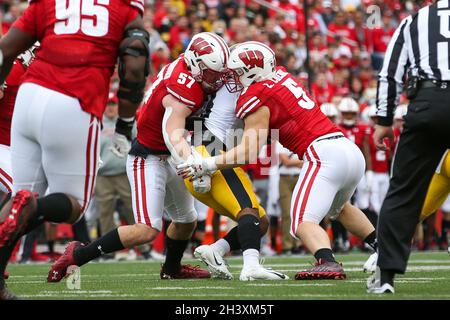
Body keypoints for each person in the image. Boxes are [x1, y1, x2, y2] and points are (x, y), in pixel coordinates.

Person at [178, 41, 378, 280]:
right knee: (340, 209)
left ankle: (327, 262)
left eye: (238, 71)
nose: (234, 77)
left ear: (251, 72)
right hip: (348, 149)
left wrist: (209, 163)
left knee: (301, 222)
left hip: (323, 153)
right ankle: (382, 247)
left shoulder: (256, 95)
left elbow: (248, 152)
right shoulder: (282, 76)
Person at [48, 32, 228, 281]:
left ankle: (172, 269)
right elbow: (172, 134)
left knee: (187, 220)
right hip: (149, 157)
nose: (216, 79)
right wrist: (192, 161)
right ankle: (76, 256)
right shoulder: (182, 87)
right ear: (196, 64)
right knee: (146, 230)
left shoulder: (192, 69)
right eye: (211, 73)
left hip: (169, 154)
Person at [0, 0, 149, 300]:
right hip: (74, 101)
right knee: (73, 205)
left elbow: (6, 48)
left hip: (27, 98)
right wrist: (123, 124)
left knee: (16, 206)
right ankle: (33, 206)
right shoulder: (122, 7)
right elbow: (134, 63)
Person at [368, 0, 450, 294]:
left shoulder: (414, 21)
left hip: (429, 102)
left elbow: (389, 74)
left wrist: (385, 119)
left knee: (403, 190)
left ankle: (386, 276)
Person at [185, 85, 288, 280]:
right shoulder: (243, 88)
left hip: (202, 154)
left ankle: (216, 250)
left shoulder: (218, 86)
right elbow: (259, 139)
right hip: (212, 155)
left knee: (260, 223)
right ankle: (251, 267)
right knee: (247, 211)